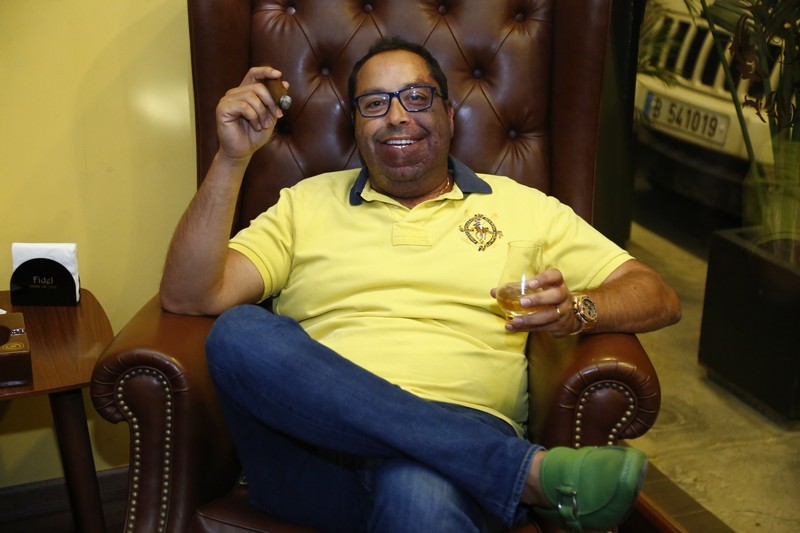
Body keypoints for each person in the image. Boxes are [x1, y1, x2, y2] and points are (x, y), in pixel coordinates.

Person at [160, 36, 681, 533]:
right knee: (239, 331)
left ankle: (468, 458)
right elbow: (190, 294)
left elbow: (656, 293)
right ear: (354, 125)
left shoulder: (524, 207)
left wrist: (579, 310)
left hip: (458, 443)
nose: (396, 116)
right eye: (374, 103)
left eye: (416, 97)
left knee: (417, 485)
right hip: (312, 457)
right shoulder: (304, 203)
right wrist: (232, 158)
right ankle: (520, 472)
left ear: (449, 115)